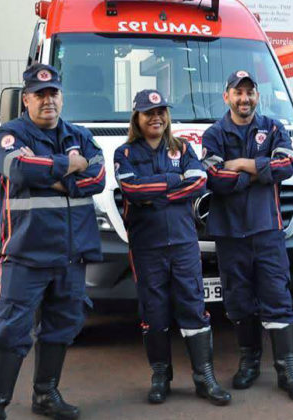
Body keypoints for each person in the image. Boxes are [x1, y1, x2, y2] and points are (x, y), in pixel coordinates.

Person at [0, 63, 106, 420]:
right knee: (10, 330)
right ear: (26, 99)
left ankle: (46, 395)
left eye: (53, 93)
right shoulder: (9, 134)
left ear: (61, 97)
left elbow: (97, 176)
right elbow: (18, 168)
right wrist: (69, 165)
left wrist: (51, 172)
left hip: (72, 253)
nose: (47, 101)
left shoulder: (80, 134)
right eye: (39, 94)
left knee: (63, 325)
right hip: (26, 253)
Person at [113, 89, 231, 406]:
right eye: (149, 112)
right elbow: (132, 189)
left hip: (183, 243)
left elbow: (198, 181)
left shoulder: (183, 148)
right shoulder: (125, 154)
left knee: (193, 307)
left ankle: (204, 377)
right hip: (146, 246)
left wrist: (157, 190)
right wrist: (172, 181)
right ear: (137, 118)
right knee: (154, 311)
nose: (156, 117)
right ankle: (160, 376)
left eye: (161, 111)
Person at [202, 70, 293, 402]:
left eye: (250, 92)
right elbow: (214, 178)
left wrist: (243, 164)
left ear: (257, 96)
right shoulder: (214, 134)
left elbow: (286, 168)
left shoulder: (275, 128)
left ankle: (287, 369)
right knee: (238, 300)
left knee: (277, 296)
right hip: (230, 234)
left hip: (267, 228)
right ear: (227, 96)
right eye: (238, 92)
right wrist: (260, 172)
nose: (244, 98)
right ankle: (248, 362)